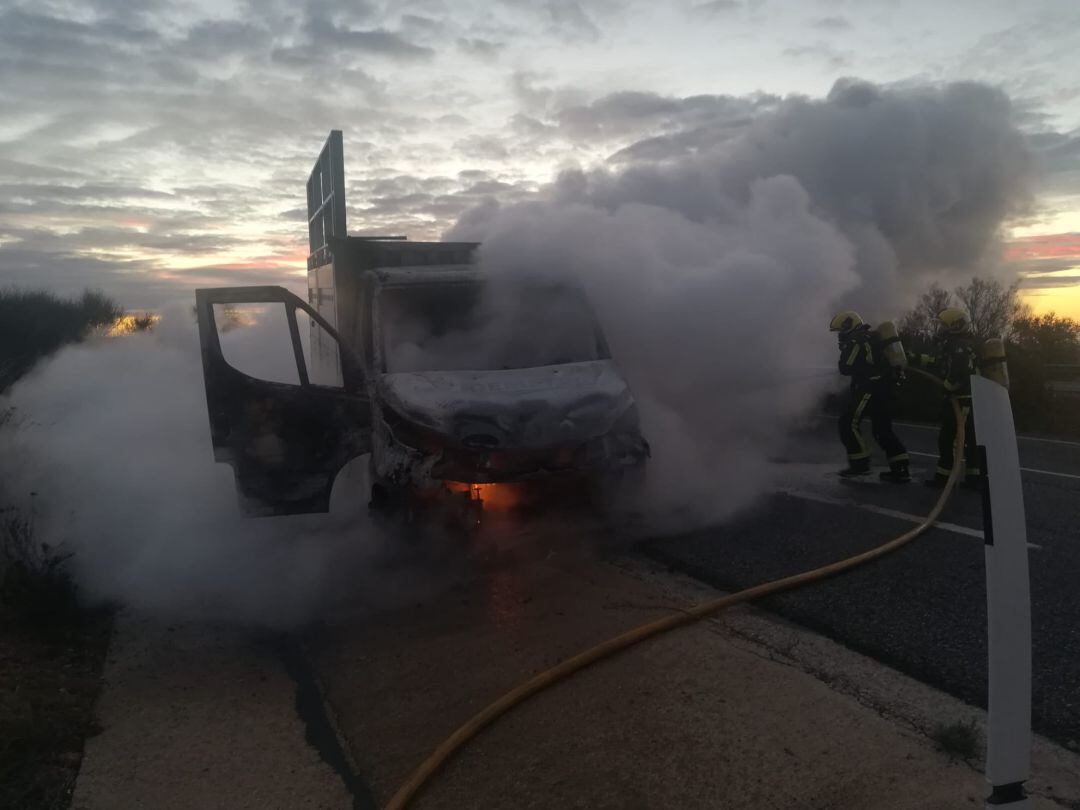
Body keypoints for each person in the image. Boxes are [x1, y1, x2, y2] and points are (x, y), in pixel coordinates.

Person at [829, 310, 910, 482]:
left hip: (869, 388)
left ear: (848, 326)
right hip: (883, 389)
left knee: (848, 422)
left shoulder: (855, 341)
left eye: (841, 332)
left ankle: (859, 464)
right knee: (882, 429)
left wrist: (844, 348)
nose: (840, 336)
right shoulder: (872, 337)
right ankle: (900, 467)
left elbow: (846, 367)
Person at [912, 307, 980, 488]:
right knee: (962, 440)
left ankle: (946, 480)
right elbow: (939, 362)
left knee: (952, 440)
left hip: (963, 399)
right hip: (962, 399)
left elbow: (960, 373)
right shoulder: (955, 345)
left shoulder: (959, 346)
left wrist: (946, 388)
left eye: (944, 326)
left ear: (955, 326)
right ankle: (971, 479)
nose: (941, 329)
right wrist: (916, 358)